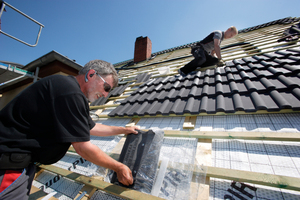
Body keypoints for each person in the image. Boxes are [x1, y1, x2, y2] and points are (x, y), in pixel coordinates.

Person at [0, 59, 139, 199]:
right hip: (8, 165)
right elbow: (83, 148)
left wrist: (123, 130)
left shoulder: (67, 89)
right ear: (91, 74)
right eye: (106, 87)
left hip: (19, 163)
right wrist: (119, 167)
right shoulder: (70, 92)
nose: (105, 95)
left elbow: (91, 127)